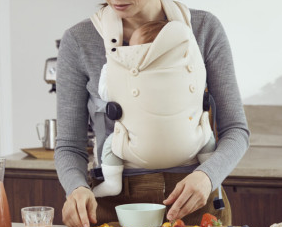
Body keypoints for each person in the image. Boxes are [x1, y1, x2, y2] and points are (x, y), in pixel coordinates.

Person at [55, 0, 250, 227]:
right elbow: (70, 145)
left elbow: (236, 129)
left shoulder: (202, 29)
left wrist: (207, 176)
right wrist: (75, 187)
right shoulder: (80, 40)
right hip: (114, 204)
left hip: (194, 197)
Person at [92, 18, 216, 198]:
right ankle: (208, 165)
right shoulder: (187, 67)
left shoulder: (125, 76)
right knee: (206, 132)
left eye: (134, 49)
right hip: (190, 145)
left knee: (112, 144)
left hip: (139, 153)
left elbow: (105, 92)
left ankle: (112, 183)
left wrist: (109, 68)